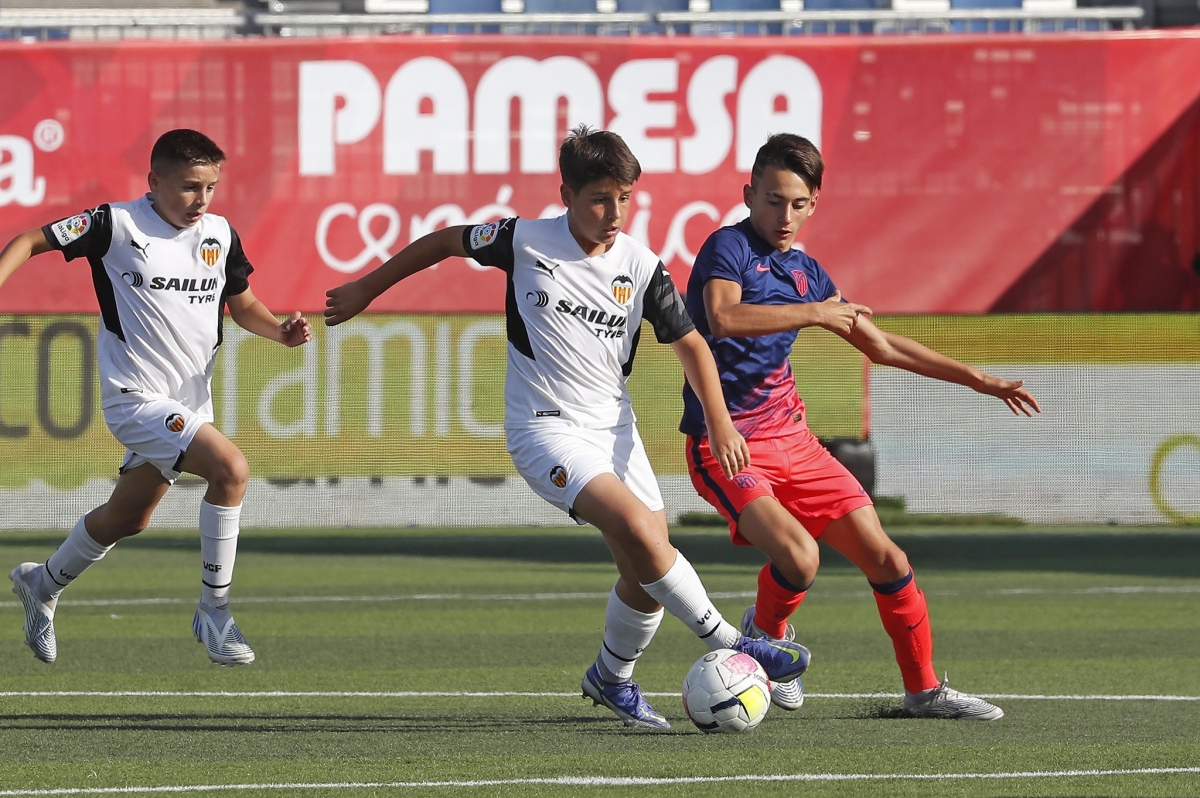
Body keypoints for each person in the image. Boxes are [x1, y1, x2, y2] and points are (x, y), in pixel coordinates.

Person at [325, 125, 811, 729]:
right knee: (640, 530)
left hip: (616, 431)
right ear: (567, 194)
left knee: (643, 570)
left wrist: (720, 420)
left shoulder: (641, 265)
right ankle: (733, 644)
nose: (614, 213)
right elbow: (444, 241)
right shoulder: (523, 239)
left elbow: (691, 343)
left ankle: (611, 678)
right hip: (545, 429)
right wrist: (366, 289)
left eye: (625, 198)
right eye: (600, 199)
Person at [681, 133, 1041, 720]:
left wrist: (976, 378)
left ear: (814, 204)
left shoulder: (808, 273)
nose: (785, 215)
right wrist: (817, 312)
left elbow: (880, 346)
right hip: (729, 444)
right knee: (800, 559)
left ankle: (923, 692)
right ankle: (768, 640)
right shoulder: (728, 248)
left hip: (795, 441)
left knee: (889, 561)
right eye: (773, 200)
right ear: (749, 196)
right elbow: (721, 318)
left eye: (798, 204)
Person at [3, 129, 312, 667]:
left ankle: (42, 583)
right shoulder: (115, 225)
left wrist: (279, 332)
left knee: (128, 518)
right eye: (190, 187)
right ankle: (215, 612)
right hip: (135, 399)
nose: (202, 200)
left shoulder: (218, 234)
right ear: (155, 181)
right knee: (231, 470)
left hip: (188, 405)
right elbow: (30, 240)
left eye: (211, 187)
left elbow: (242, 305)